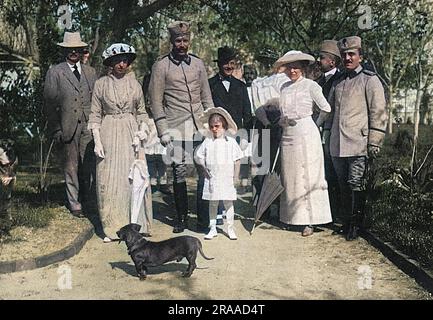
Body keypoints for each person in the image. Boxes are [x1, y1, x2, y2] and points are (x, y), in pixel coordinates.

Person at [256, 50, 332, 236]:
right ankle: (293, 218)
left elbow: (326, 108)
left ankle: (310, 222)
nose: (292, 71)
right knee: (292, 177)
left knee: (308, 175)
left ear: (303, 68)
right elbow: (283, 113)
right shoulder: (284, 88)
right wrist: (282, 121)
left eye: (296, 67)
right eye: (289, 67)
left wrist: (314, 123)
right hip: (288, 134)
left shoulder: (311, 86)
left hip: (307, 133)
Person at [149, 21, 214, 233]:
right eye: (178, 40)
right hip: (175, 128)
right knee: (178, 172)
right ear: (171, 42)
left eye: (185, 40)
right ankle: (182, 218)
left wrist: (213, 123)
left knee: (205, 169)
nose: (182, 44)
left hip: (200, 127)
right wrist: (162, 129)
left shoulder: (198, 64)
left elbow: (206, 97)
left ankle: (204, 219)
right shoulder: (161, 67)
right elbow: (156, 101)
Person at [88, 43, 153, 242]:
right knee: (109, 179)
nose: (121, 64)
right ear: (110, 63)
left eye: (125, 60)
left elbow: (141, 112)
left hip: (130, 133)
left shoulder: (135, 84)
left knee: (132, 178)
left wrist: (142, 130)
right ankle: (112, 227)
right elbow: (95, 114)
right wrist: (97, 141)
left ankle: (134, 224)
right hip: (108, 131)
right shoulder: (101, 84)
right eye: (117, 60)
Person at [328, 36, 387, 240]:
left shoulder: (370, 80)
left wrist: (374, 141)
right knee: (342, 183)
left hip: (358, 142)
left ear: (360, 57)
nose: (347, 58)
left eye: (352, 54)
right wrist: (327, 136)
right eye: (344, 55)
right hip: (337, 142)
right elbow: (330, 112)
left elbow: (378, 112)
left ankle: (356, 225)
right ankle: (345, 222)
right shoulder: (338, 82)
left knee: (356, 183)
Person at [43, 31, 97, 218]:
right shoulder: (55, 72)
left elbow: (96, 101)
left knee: (89, 165)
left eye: (77, 49)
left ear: (82, 50)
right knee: (71, 167)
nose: (74, 52)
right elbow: (49, 105)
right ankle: (75, 204)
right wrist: (56, 128)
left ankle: (89, 202)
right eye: (69, 49)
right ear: (64, 51)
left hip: (89, 127)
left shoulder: (91, 72)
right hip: (67, 127)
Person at [208, 46, 252, 197]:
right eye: (226, 63)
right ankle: (217, 206)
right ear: (219, 65)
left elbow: (247, 113)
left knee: (233, 171)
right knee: (217, 169)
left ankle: (229, 205)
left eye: (232, 63)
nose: (229, 67)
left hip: (235, 134)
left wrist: (246, 135)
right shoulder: (210, 85)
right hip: (215, 135)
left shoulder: (241, 86)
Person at [194, 107, 243, 240]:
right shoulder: (208, 141)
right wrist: (204, 169)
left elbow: (237, 159)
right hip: (213, 178)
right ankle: (213, 228)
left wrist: (236, 176)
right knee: (213, 203)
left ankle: (230, 228)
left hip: (227, 177)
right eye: (211, 127)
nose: (214, 129)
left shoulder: (231, 142)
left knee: (228, 203)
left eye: (217, 126)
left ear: (224, 126)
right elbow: (198, 156)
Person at [316, 40, 342, 226]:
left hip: (333, 130)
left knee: (333, 171)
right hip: (317, 130)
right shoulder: (318, 81)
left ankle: (337, 214)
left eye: (322, 58)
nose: (319, 60)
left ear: (332, 62)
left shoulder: (340, 80)